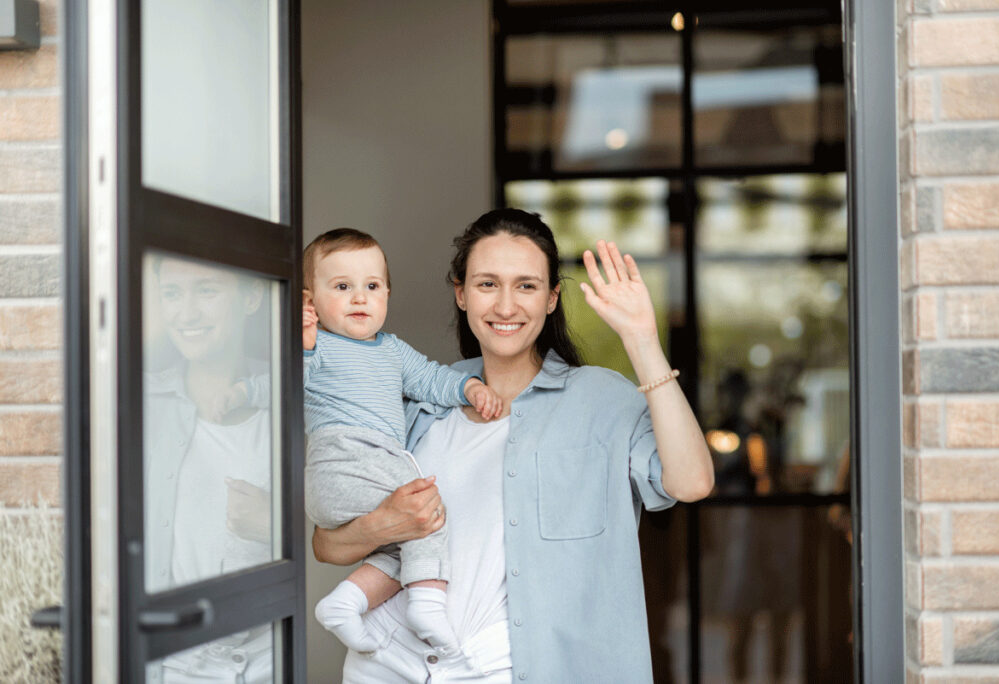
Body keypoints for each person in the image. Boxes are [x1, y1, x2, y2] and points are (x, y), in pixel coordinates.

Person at [312, 209, 714, 683]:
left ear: (551, 298)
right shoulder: (420, 400)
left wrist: (642, 339)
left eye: (526, 285)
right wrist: (385, 523)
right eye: (487, 284)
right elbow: (327, 544)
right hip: (388, 665)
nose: (506, 306)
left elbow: (691, 483)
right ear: (461, 294)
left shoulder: (602, 400)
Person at [301, 229, 503, 656]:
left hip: (357, 474)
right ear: (309, 302)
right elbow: (282, 385)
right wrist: (298, 346)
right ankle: (428, 606)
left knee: (403, 543)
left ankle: (346, 602)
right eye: (342, 287)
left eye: (372, 287)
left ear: (387, 294)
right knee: (427, 512)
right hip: (347, 458)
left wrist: (468, 387)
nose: (360, 298)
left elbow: (430, 378)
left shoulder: (391, 350)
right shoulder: (315, 347)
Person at [143, 255, 274, 683]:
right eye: (172, 294)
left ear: (252, 296)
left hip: (273, 660)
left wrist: (277, 525)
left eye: (207, 290)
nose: (187, 313)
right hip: (175, 663)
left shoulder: (296, 395)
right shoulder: (137, 403)